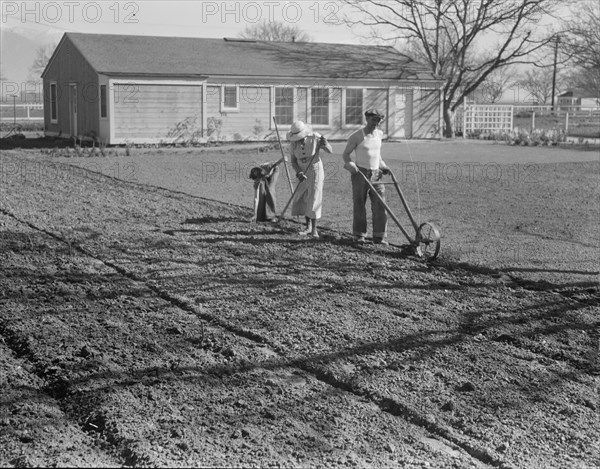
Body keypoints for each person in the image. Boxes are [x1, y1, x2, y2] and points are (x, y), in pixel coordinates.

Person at [341, 109, 391, 245]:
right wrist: (350, 164)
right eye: (374, 119)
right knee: (359, 204)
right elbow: (346, 154)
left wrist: (383, 166)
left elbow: (377, 155)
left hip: (376, 174)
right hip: (360, 173)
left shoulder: (379, 134)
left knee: (380, 204)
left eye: (379, 120)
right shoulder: (357, 136)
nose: (376, 123)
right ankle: (359, 235)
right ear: (367, 119)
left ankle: (379, 236)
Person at [287, 120, 333, 239]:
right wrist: (299, 172)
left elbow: (330, 151)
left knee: (314, 197)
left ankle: (314, 229)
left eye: (300, 137)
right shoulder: (293, 143)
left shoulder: (315, 137)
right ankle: (307, 227)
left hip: (314, 169)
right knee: (303, 197)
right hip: (301, 170)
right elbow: (293, 161)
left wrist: (325, 144)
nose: (299, 140)